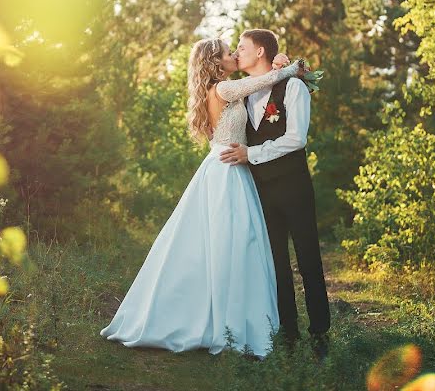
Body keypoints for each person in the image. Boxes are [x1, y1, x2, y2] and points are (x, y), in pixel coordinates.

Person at [100, 38, 305, 357]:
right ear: (215, 63)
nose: (234, 55)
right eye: (228, 53)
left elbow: (260, 82)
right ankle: (226, 320)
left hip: (226, 164)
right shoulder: (223, 89)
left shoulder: (224, 87)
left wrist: (277, 64)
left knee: (229, 242)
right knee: (233, 243)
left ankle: (222, 316)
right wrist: (291, 69)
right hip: (226, 170)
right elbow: (262, 81)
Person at [220, 29, 331, 358]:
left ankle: (320, 336)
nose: (237, 52)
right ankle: (289, 334)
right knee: (275, 264)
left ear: (261, 52)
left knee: (308, 260)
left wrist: (251, 155)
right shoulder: (241, 95)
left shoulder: (294, 86)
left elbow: (297, 138)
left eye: (242, 47)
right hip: (260, 192)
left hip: (294, 187)